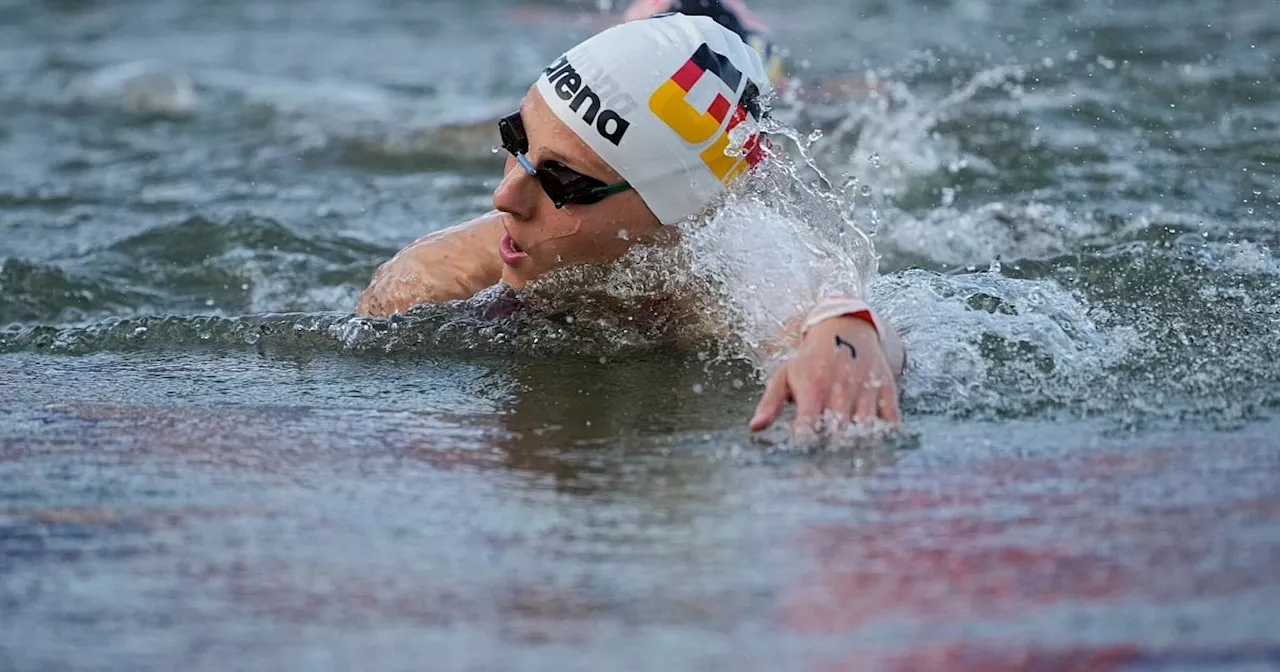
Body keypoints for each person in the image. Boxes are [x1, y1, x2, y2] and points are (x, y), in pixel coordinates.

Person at [355, 13, 906, 436]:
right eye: (514, 140)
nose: (505, 195)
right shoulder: (432, 280)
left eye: (564, 182)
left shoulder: (719, 277)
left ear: (677, 217)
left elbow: (827, 307)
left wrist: (848, 335)